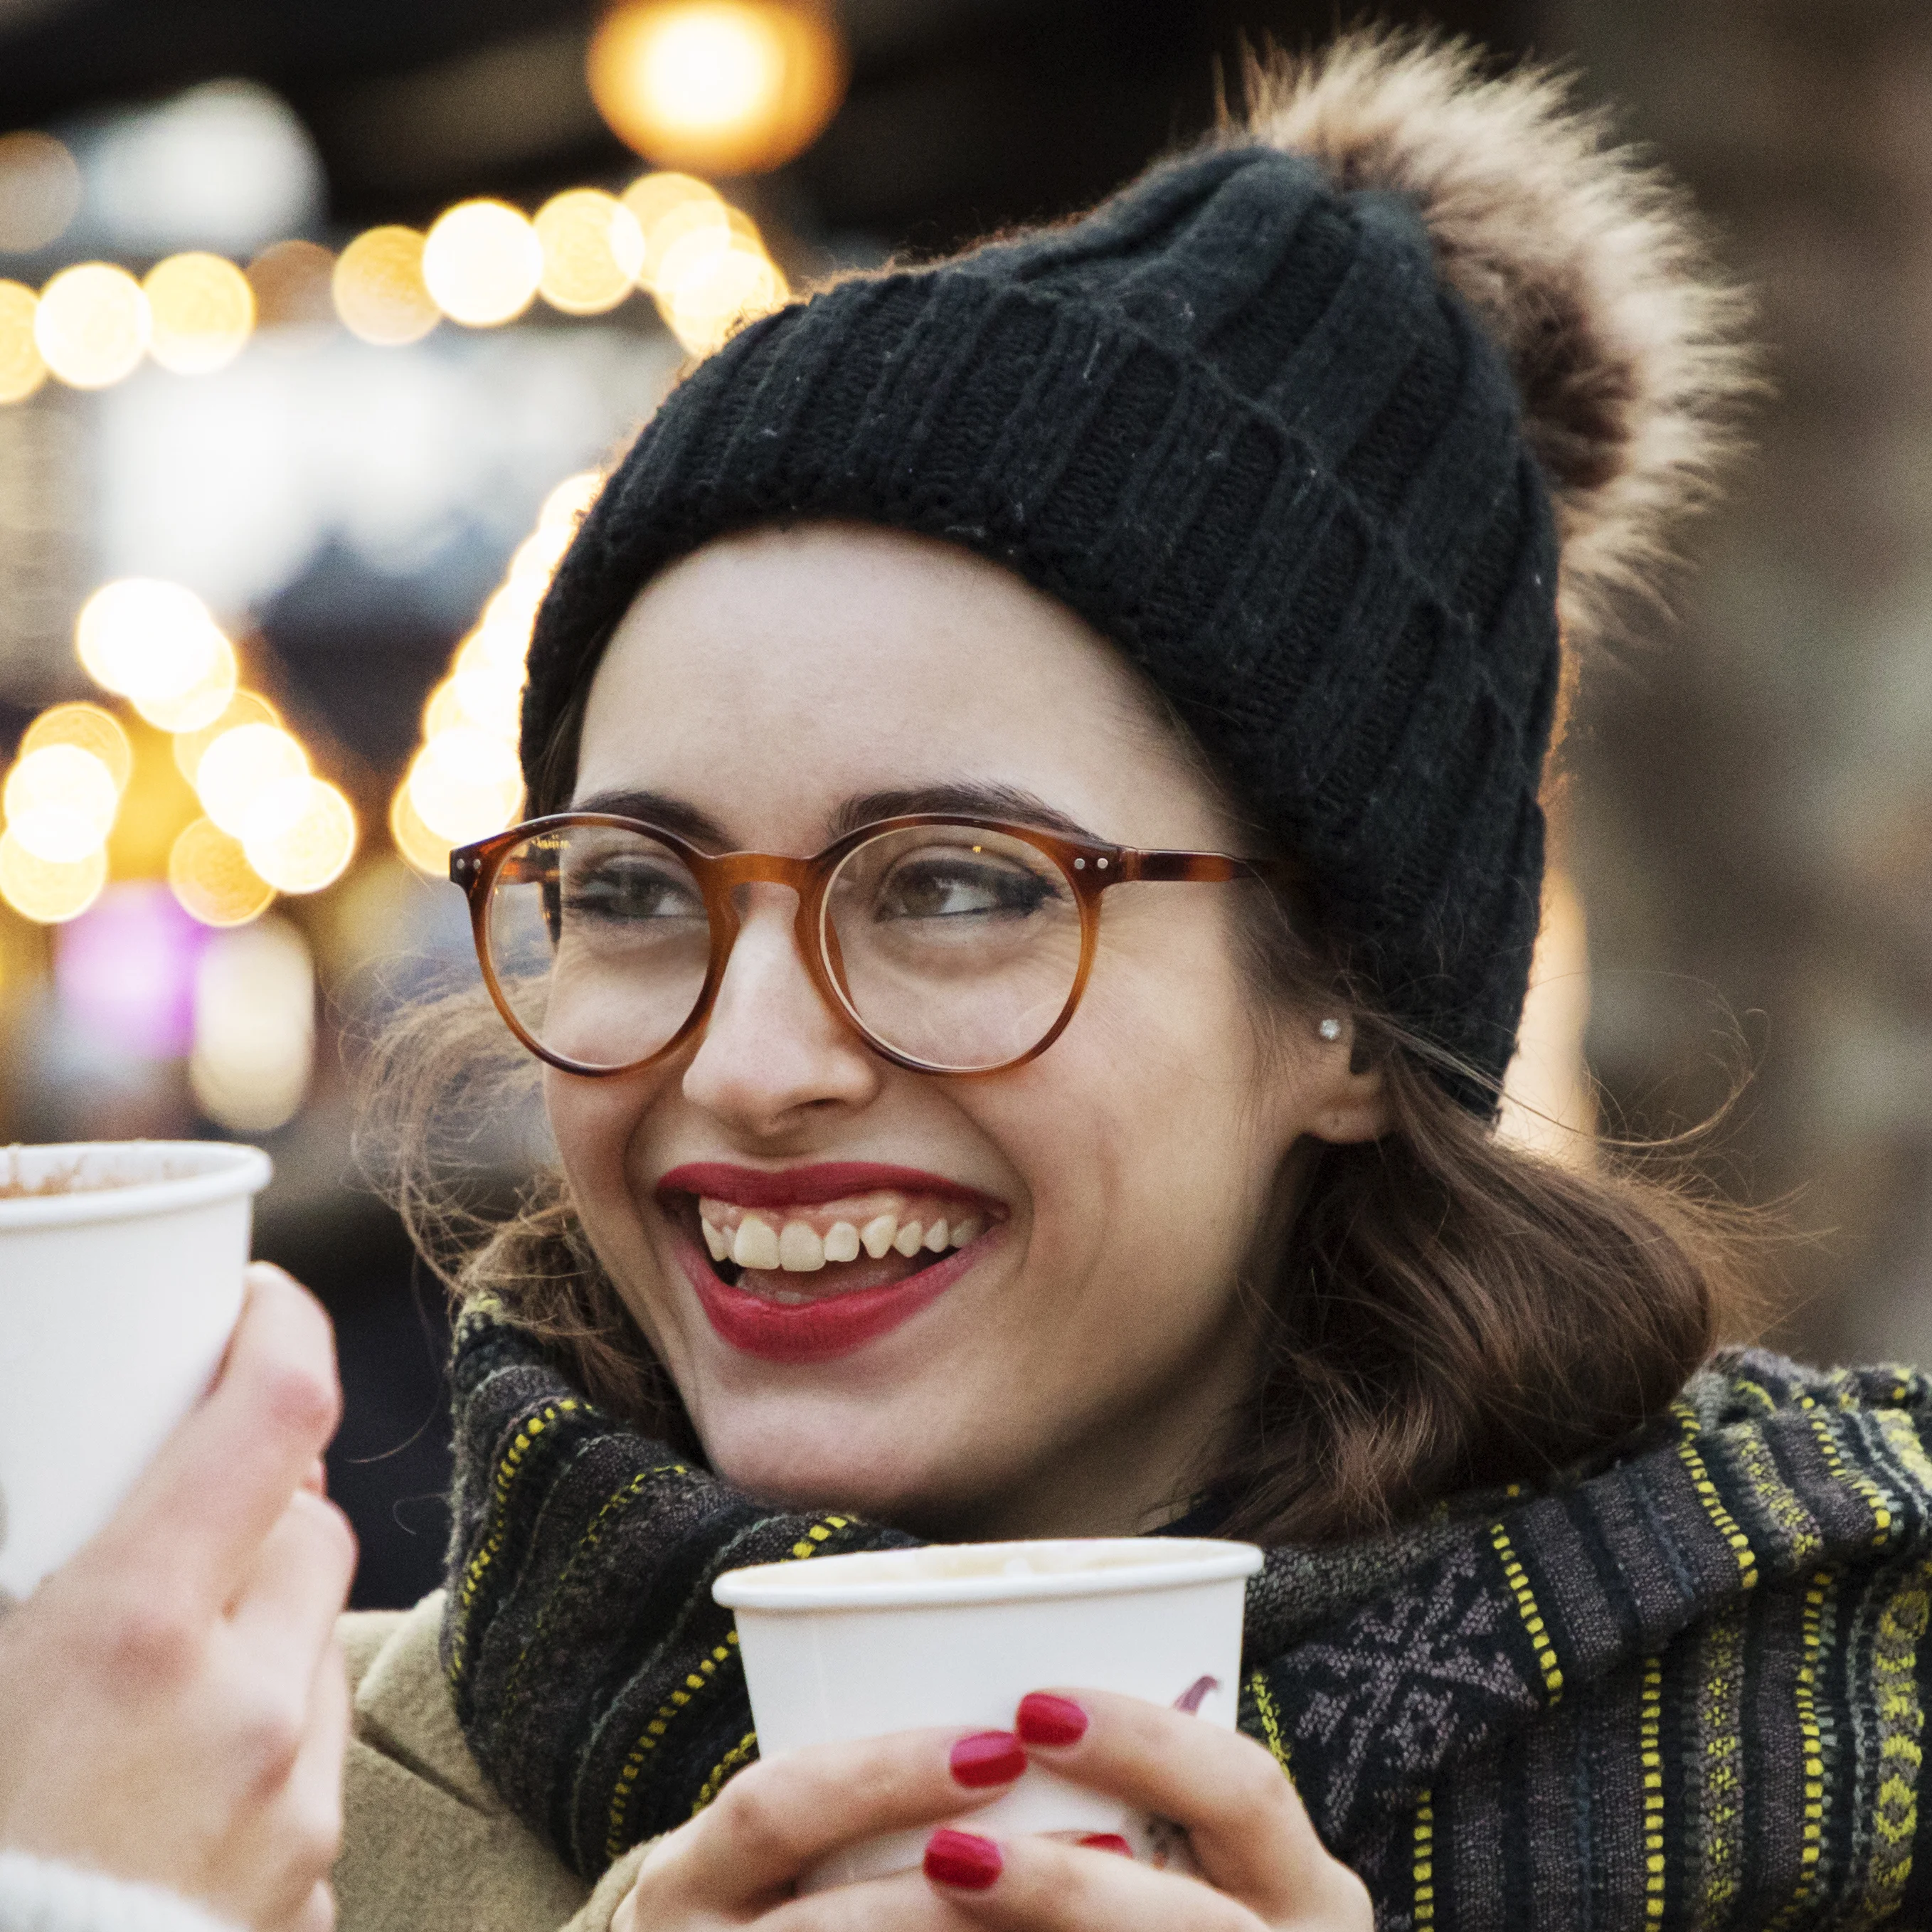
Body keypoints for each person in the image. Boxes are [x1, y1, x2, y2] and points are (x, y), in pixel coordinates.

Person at [11, 28, 1932, 1932]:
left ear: (1345, 1001)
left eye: (949, 885)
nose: (750, 1062)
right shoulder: (215, 1814)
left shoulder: (1837, 1742)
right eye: (635, 889)